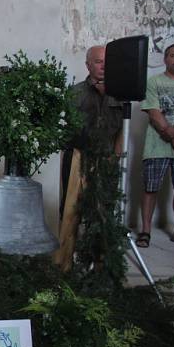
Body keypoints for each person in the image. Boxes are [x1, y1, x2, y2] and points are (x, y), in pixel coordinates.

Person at [55, 44, 123, 270]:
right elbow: (65, 130)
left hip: (106, 159)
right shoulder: (74, 93)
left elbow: (121, 129)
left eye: (107, 61)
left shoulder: (120, 93)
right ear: (88, 65)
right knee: (70, 212)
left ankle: (100, 267)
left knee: (103, 214)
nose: (103, 66)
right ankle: (64, 265)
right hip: (77, 158)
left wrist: (115, 157)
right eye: (98, 61)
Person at [136, 43, 174, 248]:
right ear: (165, 59)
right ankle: (145, 231)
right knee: (150, 188)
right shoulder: (153, 81)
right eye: (173, 56)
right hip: (157, 145)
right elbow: (153, 112)